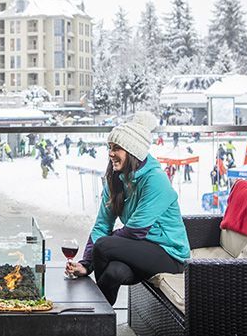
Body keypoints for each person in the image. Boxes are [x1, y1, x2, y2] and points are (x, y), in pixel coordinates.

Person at [65, 112, 190, 306]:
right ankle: (101, 319)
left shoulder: (155, 179)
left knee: (104, 245)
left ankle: (93, 318)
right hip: (137, 251)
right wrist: (86, 264)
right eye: (110, 148)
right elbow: (102, 225)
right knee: (115, 272)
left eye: (117, 148)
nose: (111, 153)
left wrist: (103, 246)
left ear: (133, 151)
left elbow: (135, 231)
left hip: (168, 254)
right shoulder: (116, 180)